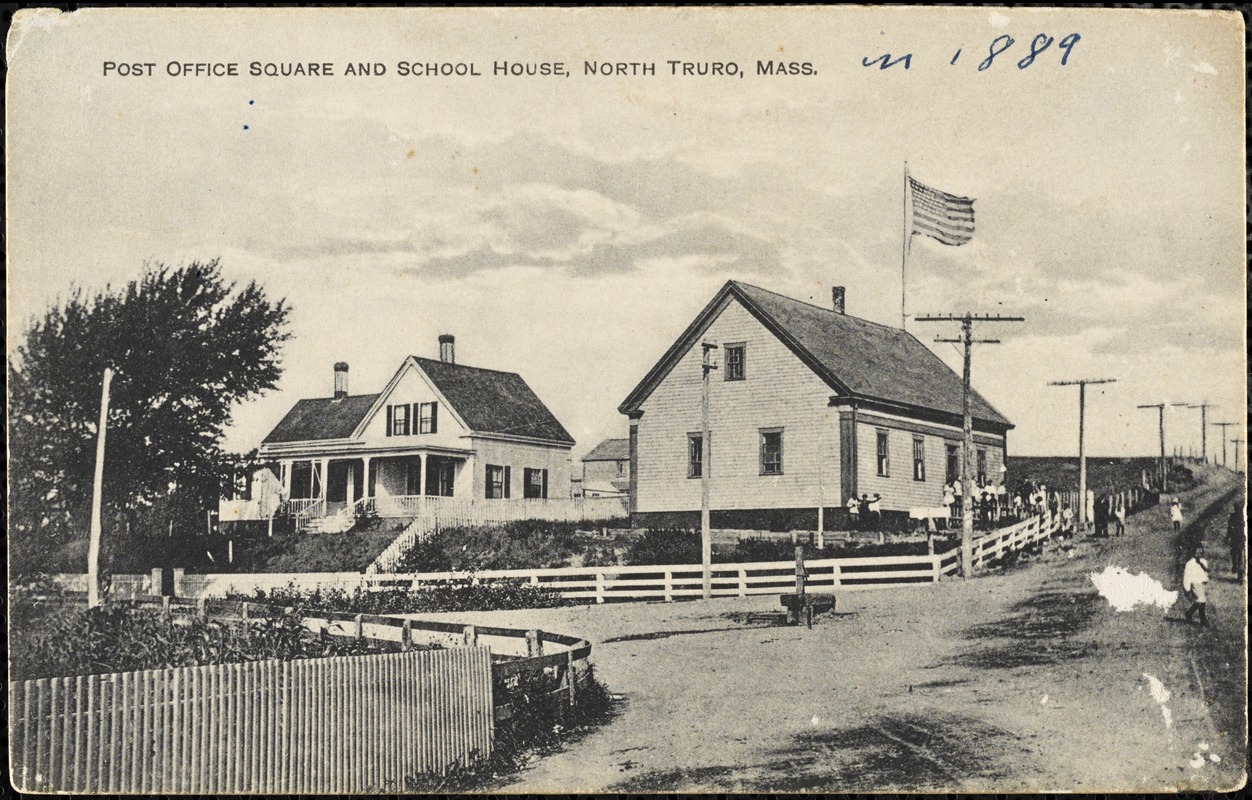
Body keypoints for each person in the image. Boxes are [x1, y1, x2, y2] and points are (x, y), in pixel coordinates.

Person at [1182, 545, 1210, 627]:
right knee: (1201, 599)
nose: (1198, 555)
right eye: (1196, 553)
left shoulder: (1204, 562)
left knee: (1200, 601)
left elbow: (1205, 572)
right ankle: (1203, 619)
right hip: (1194, 583)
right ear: (1193, 553)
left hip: (1202, 583)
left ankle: (1189, 613)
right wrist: (1187, 588)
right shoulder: (1189, 563)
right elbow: (1187, 577)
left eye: (1200, 553)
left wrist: (1206, 579)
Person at [1228, 508, 1245, 580]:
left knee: (1239, 555)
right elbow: (1229, 528)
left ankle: (1239, 572)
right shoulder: (1233, 517)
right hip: (1236, 538)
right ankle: (1235, 566)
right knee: (1235, 553)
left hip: (1240, 538)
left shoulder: (1240, 517)